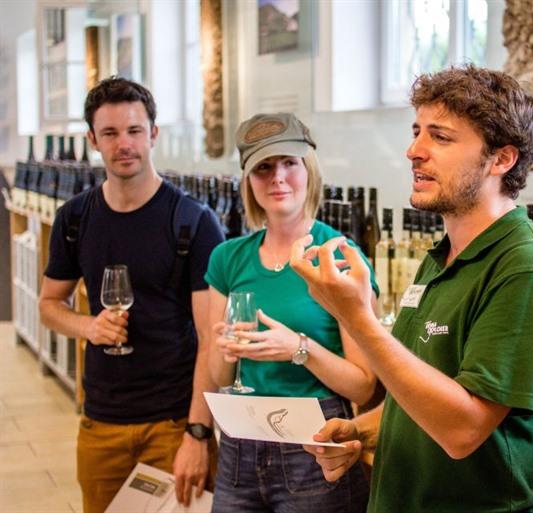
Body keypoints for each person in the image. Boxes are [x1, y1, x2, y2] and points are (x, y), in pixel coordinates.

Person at [293, 64, 533, 512]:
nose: (413, 151)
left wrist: (356, 317)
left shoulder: (524, 269)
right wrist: (361, 430)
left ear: (502, 159)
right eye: (416, 132)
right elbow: (424, 394)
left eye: (440, 137)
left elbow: (464, 429)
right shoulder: (442, 256)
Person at [38, 77, 224, 513]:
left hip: (173, 424)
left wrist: (198, 434)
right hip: (100, 423)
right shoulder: (74, 219)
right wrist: (89, 326)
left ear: (153, 133)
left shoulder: (193, 222)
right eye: (110, 133)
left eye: (134, 130)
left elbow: (210, 338)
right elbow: (48, 305)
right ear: (92, 140)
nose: (124, 144)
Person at [206, 112, 377, 513]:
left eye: (289, 163)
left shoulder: (340, 256)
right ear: (248, 180)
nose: (278, 178)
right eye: (263, 167)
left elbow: (363, 387)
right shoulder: (228, 258)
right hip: (239, 445)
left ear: (309, 170)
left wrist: (299, 348)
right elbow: (219, 378)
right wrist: (226, 352)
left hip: (314, 446)